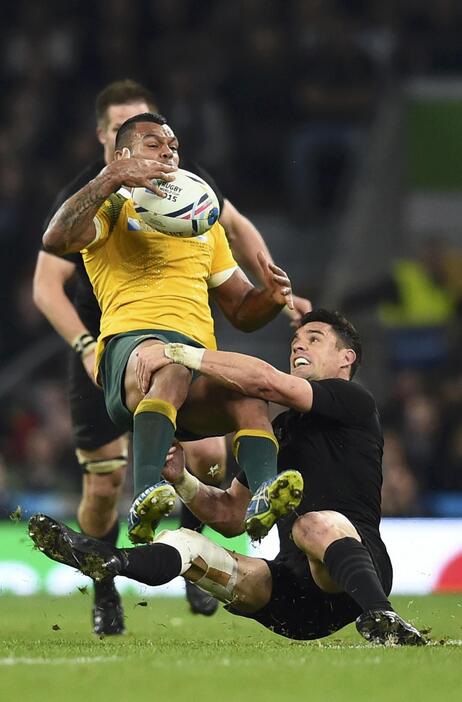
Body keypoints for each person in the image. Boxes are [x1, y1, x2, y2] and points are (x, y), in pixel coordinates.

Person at [33, 80, 310, 632]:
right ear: (123, 153)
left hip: (187, 359)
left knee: (247, 396)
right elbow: (57, 239)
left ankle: (262, 501)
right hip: (126, 356)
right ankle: (145, 499)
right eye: (155, 145)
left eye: (174, 146)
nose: (170, 154)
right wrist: (111, 177)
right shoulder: (111, 206)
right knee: (170, 369)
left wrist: (269, 297)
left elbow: (239, 309)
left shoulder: (200, 219)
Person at [28, 309, 426, 645]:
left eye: (314, 338)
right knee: (187, 544)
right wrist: (181, 478)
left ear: (347, 358)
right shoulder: (282, 430)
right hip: (294, 600)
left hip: (359, 571)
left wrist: (178, 353)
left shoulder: (353, 400)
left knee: (312, 523)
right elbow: (231, 515)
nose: (299, 346)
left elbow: (265, 381)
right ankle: (110, 560)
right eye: (295, 342)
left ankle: (381, 616)